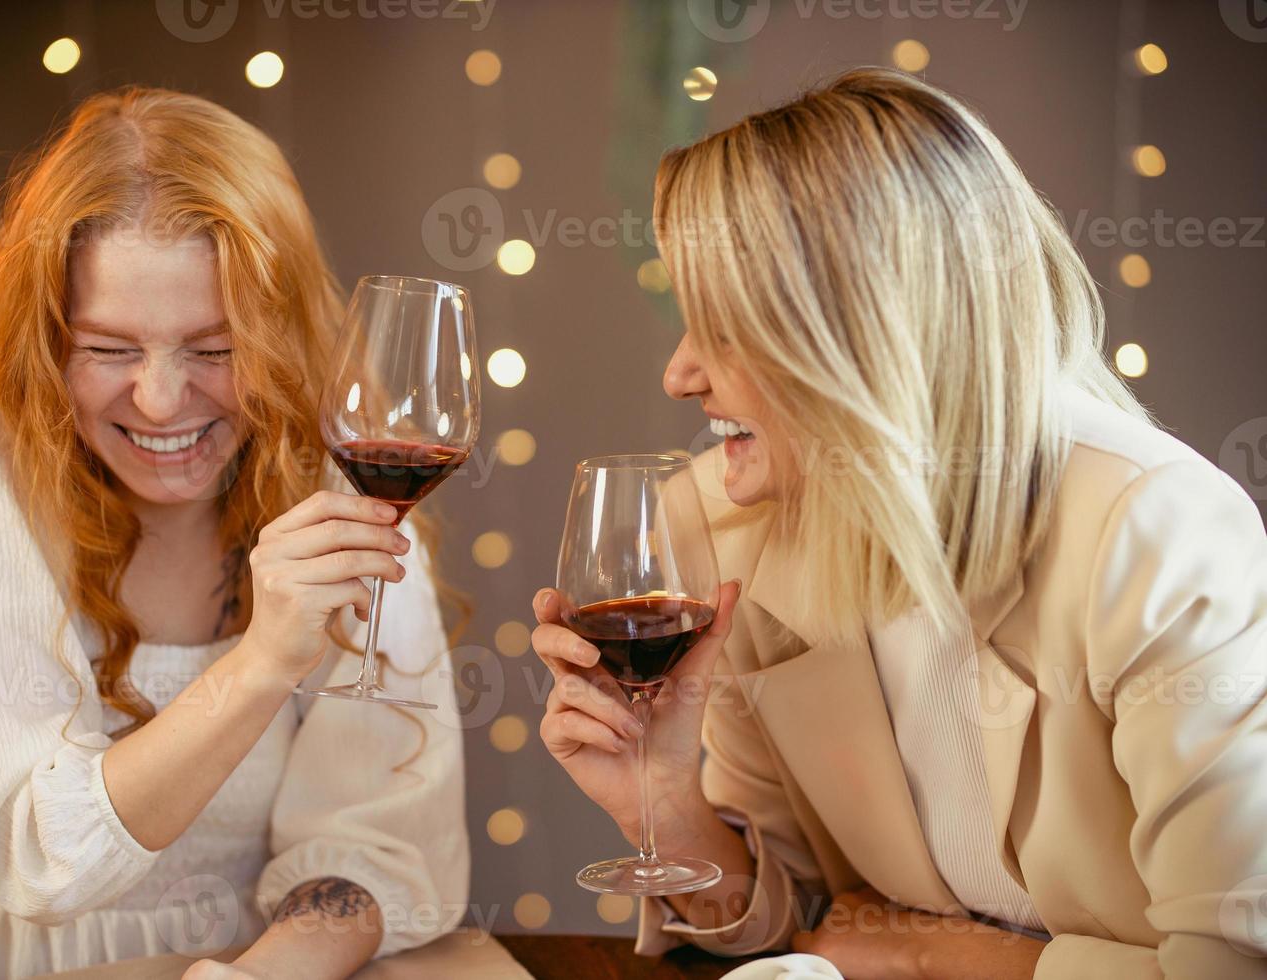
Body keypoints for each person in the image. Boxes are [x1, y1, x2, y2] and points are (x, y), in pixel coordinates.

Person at [531, 68, 1267, 979]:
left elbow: (1232, 966)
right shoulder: (726, 524)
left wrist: (941, 958)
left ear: (864, 332)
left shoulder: (1153, 531)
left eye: (725, 328)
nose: (680, 374)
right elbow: (789, 922)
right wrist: (662, 798)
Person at [0, 86, 468, 978]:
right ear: (47, 341)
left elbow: (376, 840)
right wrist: (263, 663)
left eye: (215, 349)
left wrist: (257, 975)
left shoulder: (335, 483)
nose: (162, 400)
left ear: (281, 334)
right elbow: (43, 856)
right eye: (107, 349)